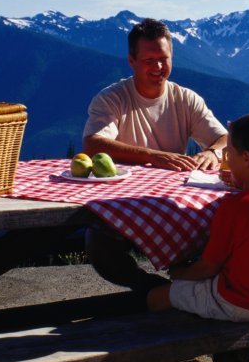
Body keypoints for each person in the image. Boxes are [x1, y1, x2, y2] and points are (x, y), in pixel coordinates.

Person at [82, 17, 228, 291]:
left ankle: (189, 290)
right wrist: (154, 155)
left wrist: (212, 151)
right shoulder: (112, 98)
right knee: (97, 241)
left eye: (164, 58)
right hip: (122, 204)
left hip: (174, 204)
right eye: (149, 60)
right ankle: (152, 290)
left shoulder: (186, 98)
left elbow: (224, 138)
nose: (159, 67)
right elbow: (92, 144)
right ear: (132, 61)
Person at [146, 110, 249, 321]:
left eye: (229, 154)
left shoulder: (236, 206)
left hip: (237, 301)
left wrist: (179, 273)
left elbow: (208, 267)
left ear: (246, 158)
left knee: (157, 297)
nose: (226, 160)